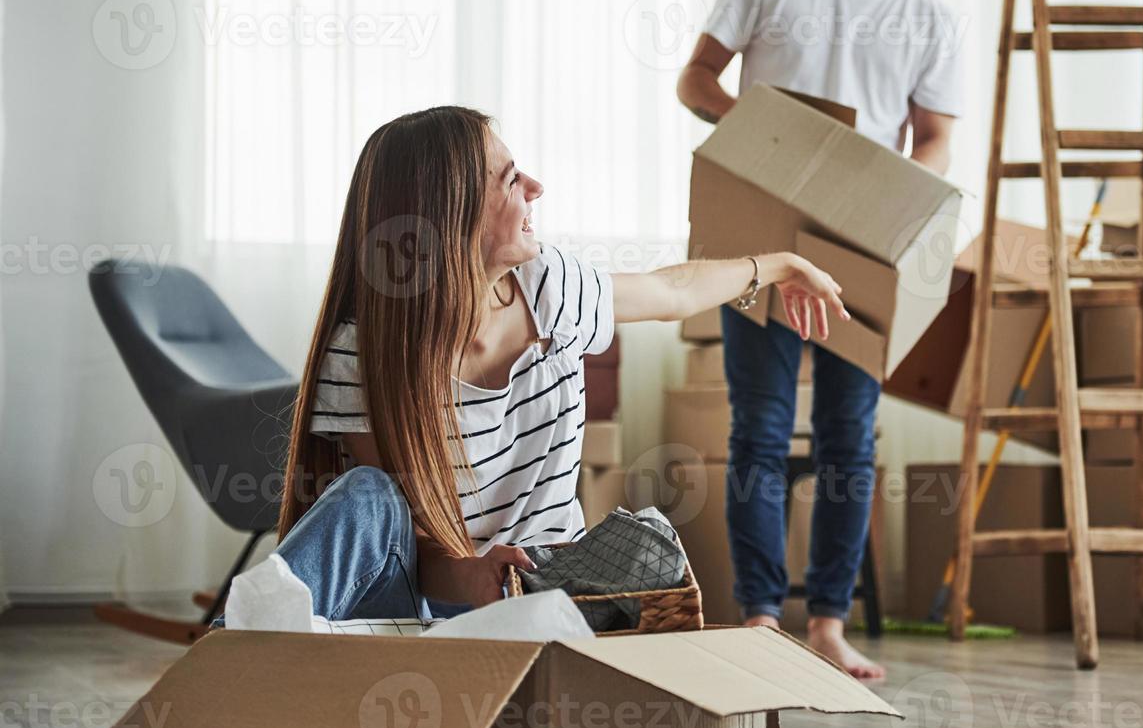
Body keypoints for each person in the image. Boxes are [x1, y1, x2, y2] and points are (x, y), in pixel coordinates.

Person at [264, 105, 849, 623]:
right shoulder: (365, 354)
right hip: (426, 597)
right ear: (450, 213)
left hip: (545, 588)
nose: (535, 188)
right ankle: (231, 670)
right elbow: (410, 548)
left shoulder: (550, 287)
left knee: (652, 548)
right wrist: (469, 576)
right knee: (367, 497)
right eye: (511, 179)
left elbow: (672, 291)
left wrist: (782, 265)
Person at [676, 0, 963, 679]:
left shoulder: (930, 22)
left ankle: (828, 627)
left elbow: (937, 138)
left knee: (849, 439)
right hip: (758, 237)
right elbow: (696, 78)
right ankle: (762, 617)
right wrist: (759, 143)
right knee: (758, 432)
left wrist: (896, 188)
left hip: (863, 246)